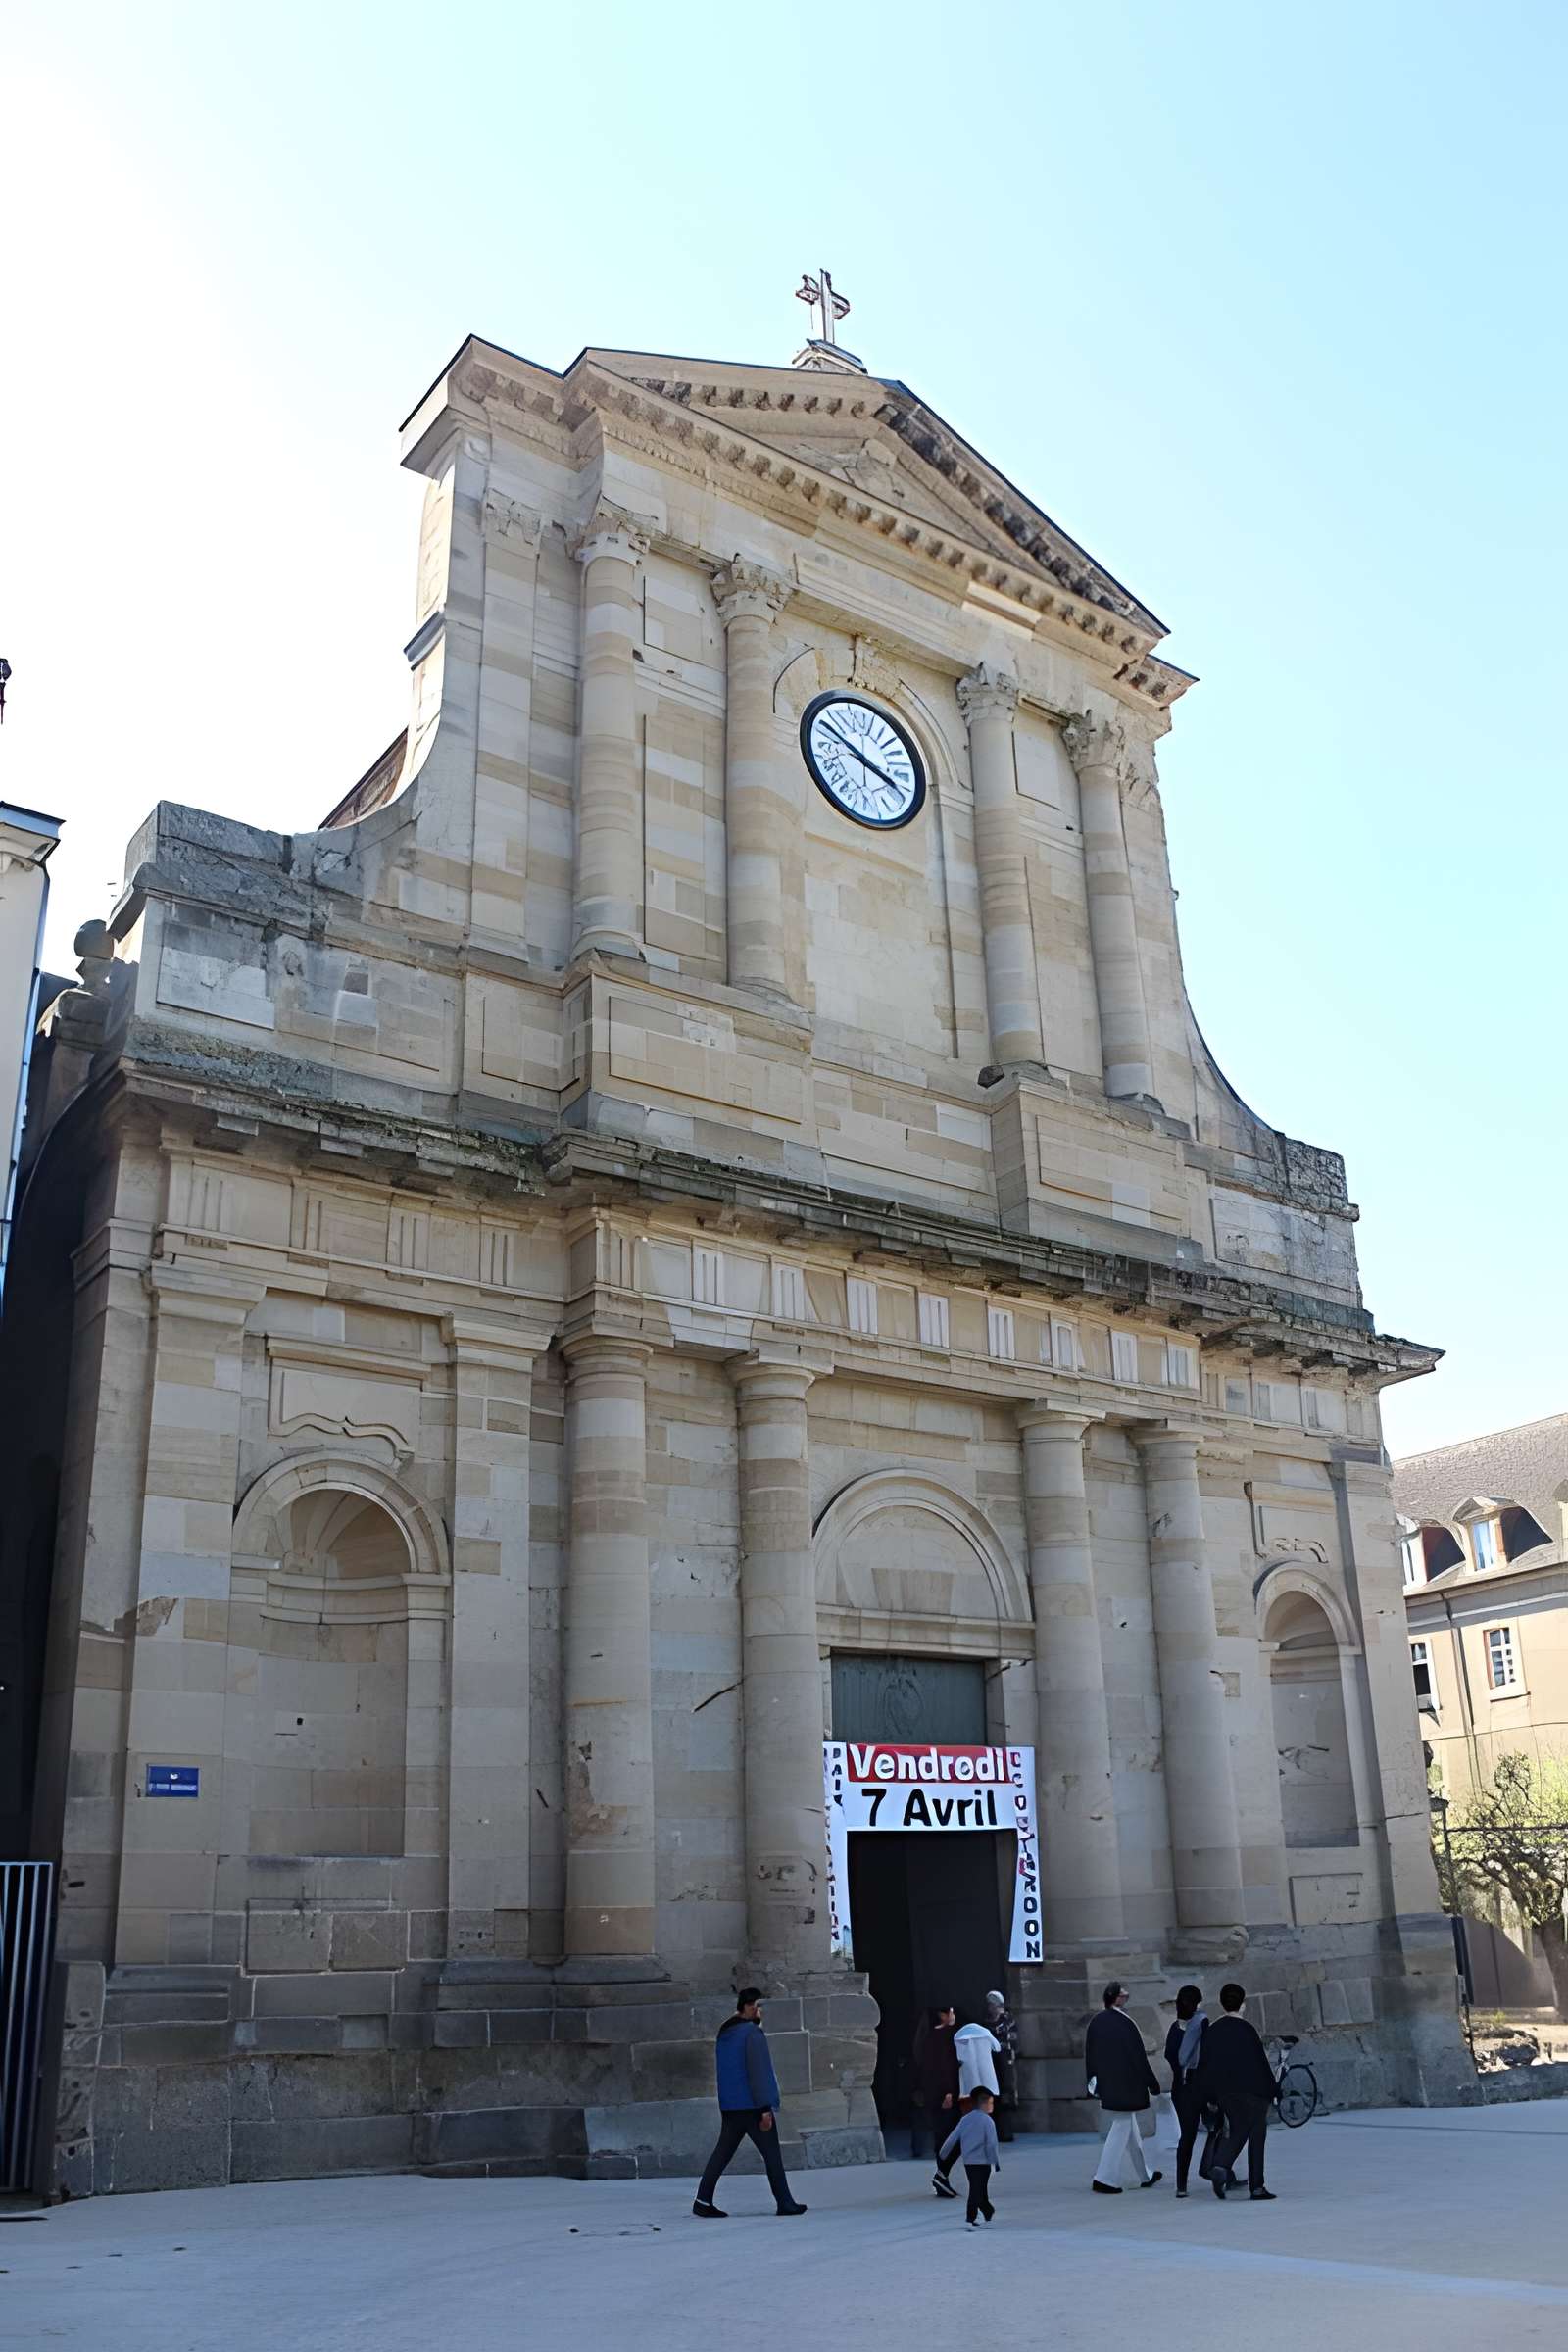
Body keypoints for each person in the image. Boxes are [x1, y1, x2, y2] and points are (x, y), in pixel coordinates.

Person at [693, 1988, 808, 2218]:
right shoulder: (751, 2033)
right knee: (772, 2154)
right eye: (758, 2005)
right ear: (747, 2006)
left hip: (731, 2106)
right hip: (753, 2106)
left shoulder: (725, 2032)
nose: (761, 2011)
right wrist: (765, 2107)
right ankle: (785, 2202)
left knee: (722, 2153)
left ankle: (702, 2200)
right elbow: (759, 2072)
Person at [1196, 1983, 1278, 2203]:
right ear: (1242, 2004)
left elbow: (1206, 2065)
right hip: (1252, 2092)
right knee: (1257, 2132)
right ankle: (1257, 2186)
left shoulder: (1213, 2030)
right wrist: (1274, 2089)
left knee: (1240, 2128)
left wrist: (1209, 2097)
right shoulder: (1247, 2030)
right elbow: (1260, 2063)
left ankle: (1221, 2166)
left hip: (1225, 2093)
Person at [1084, 1980, 1162, 2194]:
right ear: (1117, 1998)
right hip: (1127, 2084)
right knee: (1121, 2127)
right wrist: (1152, 2083)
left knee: (1129, 2128)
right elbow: (1138, 2058)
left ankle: (1144, 2174)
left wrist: (1092, 2083)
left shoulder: (1096, 2022)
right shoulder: (1126, 2023)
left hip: (1109, 2084)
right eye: (1125, 1996)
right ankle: (1104, 2177)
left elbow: (1090, 2056)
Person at [1163, 1984, 1218, 2198]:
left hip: (1181, 2088)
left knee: (1187, 2136)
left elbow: (1170, 2056)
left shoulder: (1174, 2029)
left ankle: (1181, 2185)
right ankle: (1214, 2169)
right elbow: (1210, 2054)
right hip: (1201, 2086)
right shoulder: (1202, 2024)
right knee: (1217, 2127)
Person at [938, 2084, 1001, 2228]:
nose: (992, 2106)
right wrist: (995, 2162)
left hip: (969, 2162)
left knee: (979, 2188)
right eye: (991, 2103)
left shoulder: (965, 2119)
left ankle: (988, 2210)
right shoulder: (988, 2121)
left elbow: (952, 2138)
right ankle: (970, 2218)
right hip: (983, 2162)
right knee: (976, 2189)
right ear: (983, 2103)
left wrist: (943, 2154)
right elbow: (991, 2144)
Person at [914, 2003, 960, 2168]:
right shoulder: (945, 2036)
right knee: (946, 2128)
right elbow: (945, 2066)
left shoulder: (929, 2036)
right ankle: (944, 2164)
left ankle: (940, 2159)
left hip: (932, 2089)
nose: (953, 2015)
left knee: (937, 2127)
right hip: (943, 2091)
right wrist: (948, 2092)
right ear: (943, 2015)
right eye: (951, 2012)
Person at [985, 1990, 1019, 2141]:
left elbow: (1012, 2041)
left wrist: (1000, 2045)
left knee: (1005, 2097)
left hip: (1005, 2063)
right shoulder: (985, 2023)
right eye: (990, 2005)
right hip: (990, 2064)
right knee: (991, 2098)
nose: (991, 2008)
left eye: (994, 2004)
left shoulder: (1008, 2021)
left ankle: (1006, 2132)